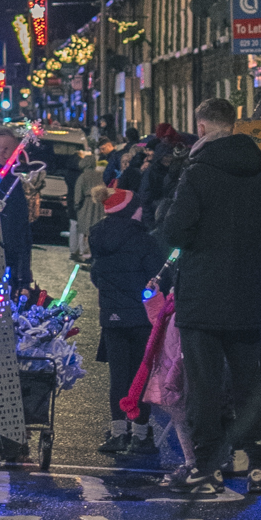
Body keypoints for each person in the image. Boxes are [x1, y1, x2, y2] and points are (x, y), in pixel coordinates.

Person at [162, 96, 261, 500]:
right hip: (245, 294)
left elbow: (176, 232)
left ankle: (206, 467)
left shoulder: (197, 174)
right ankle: (257, 464)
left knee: (205, 385)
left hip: (201, 295)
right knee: (249, 382)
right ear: (234, 124)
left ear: (201, 128)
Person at [87, 182, 160, 457]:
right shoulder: (145, 240)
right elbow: (157, 275)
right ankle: (140, 435)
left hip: (112, 318)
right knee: (140, 376)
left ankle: (117, 433)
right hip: (142, 318)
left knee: (118, 376)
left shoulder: (97, 237)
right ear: (133, 211)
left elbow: (96, 276)